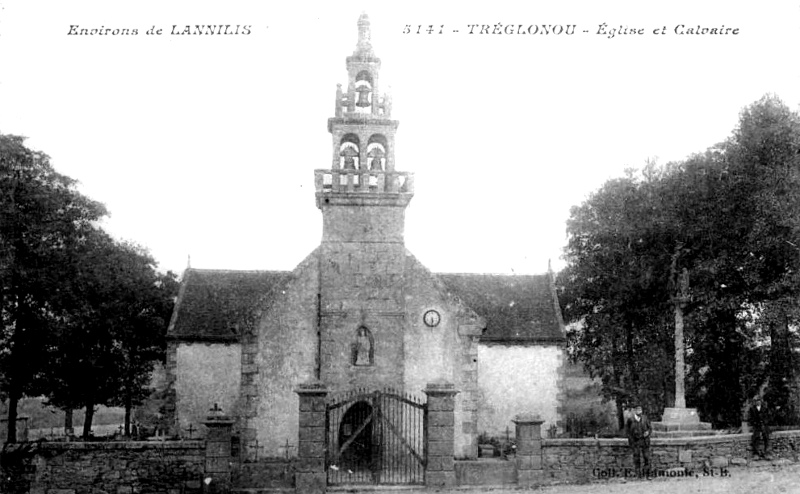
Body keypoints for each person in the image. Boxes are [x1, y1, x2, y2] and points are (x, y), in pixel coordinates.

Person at [626, 404, 652, 478]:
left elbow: (650, 428)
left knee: (646, 457)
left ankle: (647, 474)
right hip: (635, 441)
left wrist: (648, 432)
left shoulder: (645, 418)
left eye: (640, 410)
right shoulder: (630, 420)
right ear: (634, 411)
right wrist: (631, 442)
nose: (639, 411)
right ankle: (638, 474)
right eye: (637, 410)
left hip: (644, 441)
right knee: (636, 458)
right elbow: (628, 432)